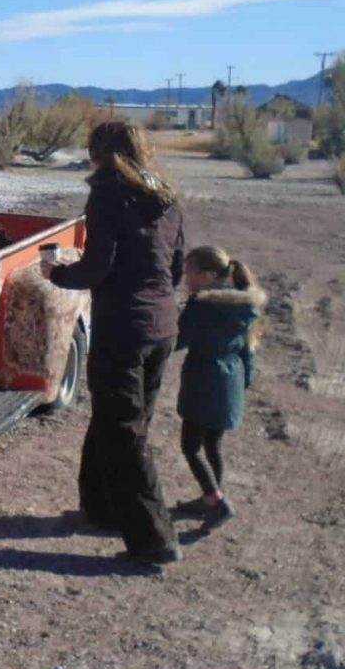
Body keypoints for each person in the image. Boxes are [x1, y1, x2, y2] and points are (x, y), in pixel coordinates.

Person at [42, 119, 184, 566]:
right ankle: (101, 508)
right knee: (116, 420)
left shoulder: (108, 193)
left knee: (124, 434)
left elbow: (97, 267)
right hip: (161, 326)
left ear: (99, 152)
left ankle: (154, 539)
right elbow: (175, 268)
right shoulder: (166, 196)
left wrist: (57, 273)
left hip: (124, 328)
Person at [171, 246, 267, 529]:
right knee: (212, 443)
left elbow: (179, 340)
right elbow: (251, 350)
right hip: (231, 379)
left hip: (204, 379)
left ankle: (217, 502)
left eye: (190, 273)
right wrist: (243, 382)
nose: (185, 278)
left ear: (209, 275)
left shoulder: (201, 304)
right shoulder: (249, 305)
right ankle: (209, 498)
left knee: (190, 446)